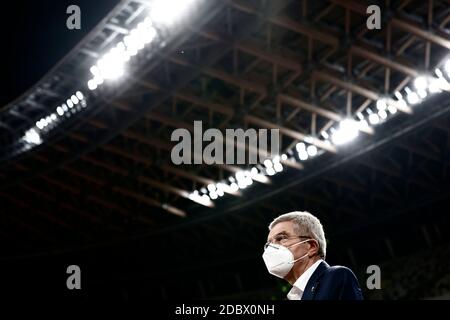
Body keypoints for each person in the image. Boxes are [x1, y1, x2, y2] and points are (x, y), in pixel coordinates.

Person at [262, 211, 363, 300]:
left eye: (281, 238)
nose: (272, 248)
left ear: (311, 247)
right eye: (269, 243)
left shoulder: (336, 277)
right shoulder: (295, 295)